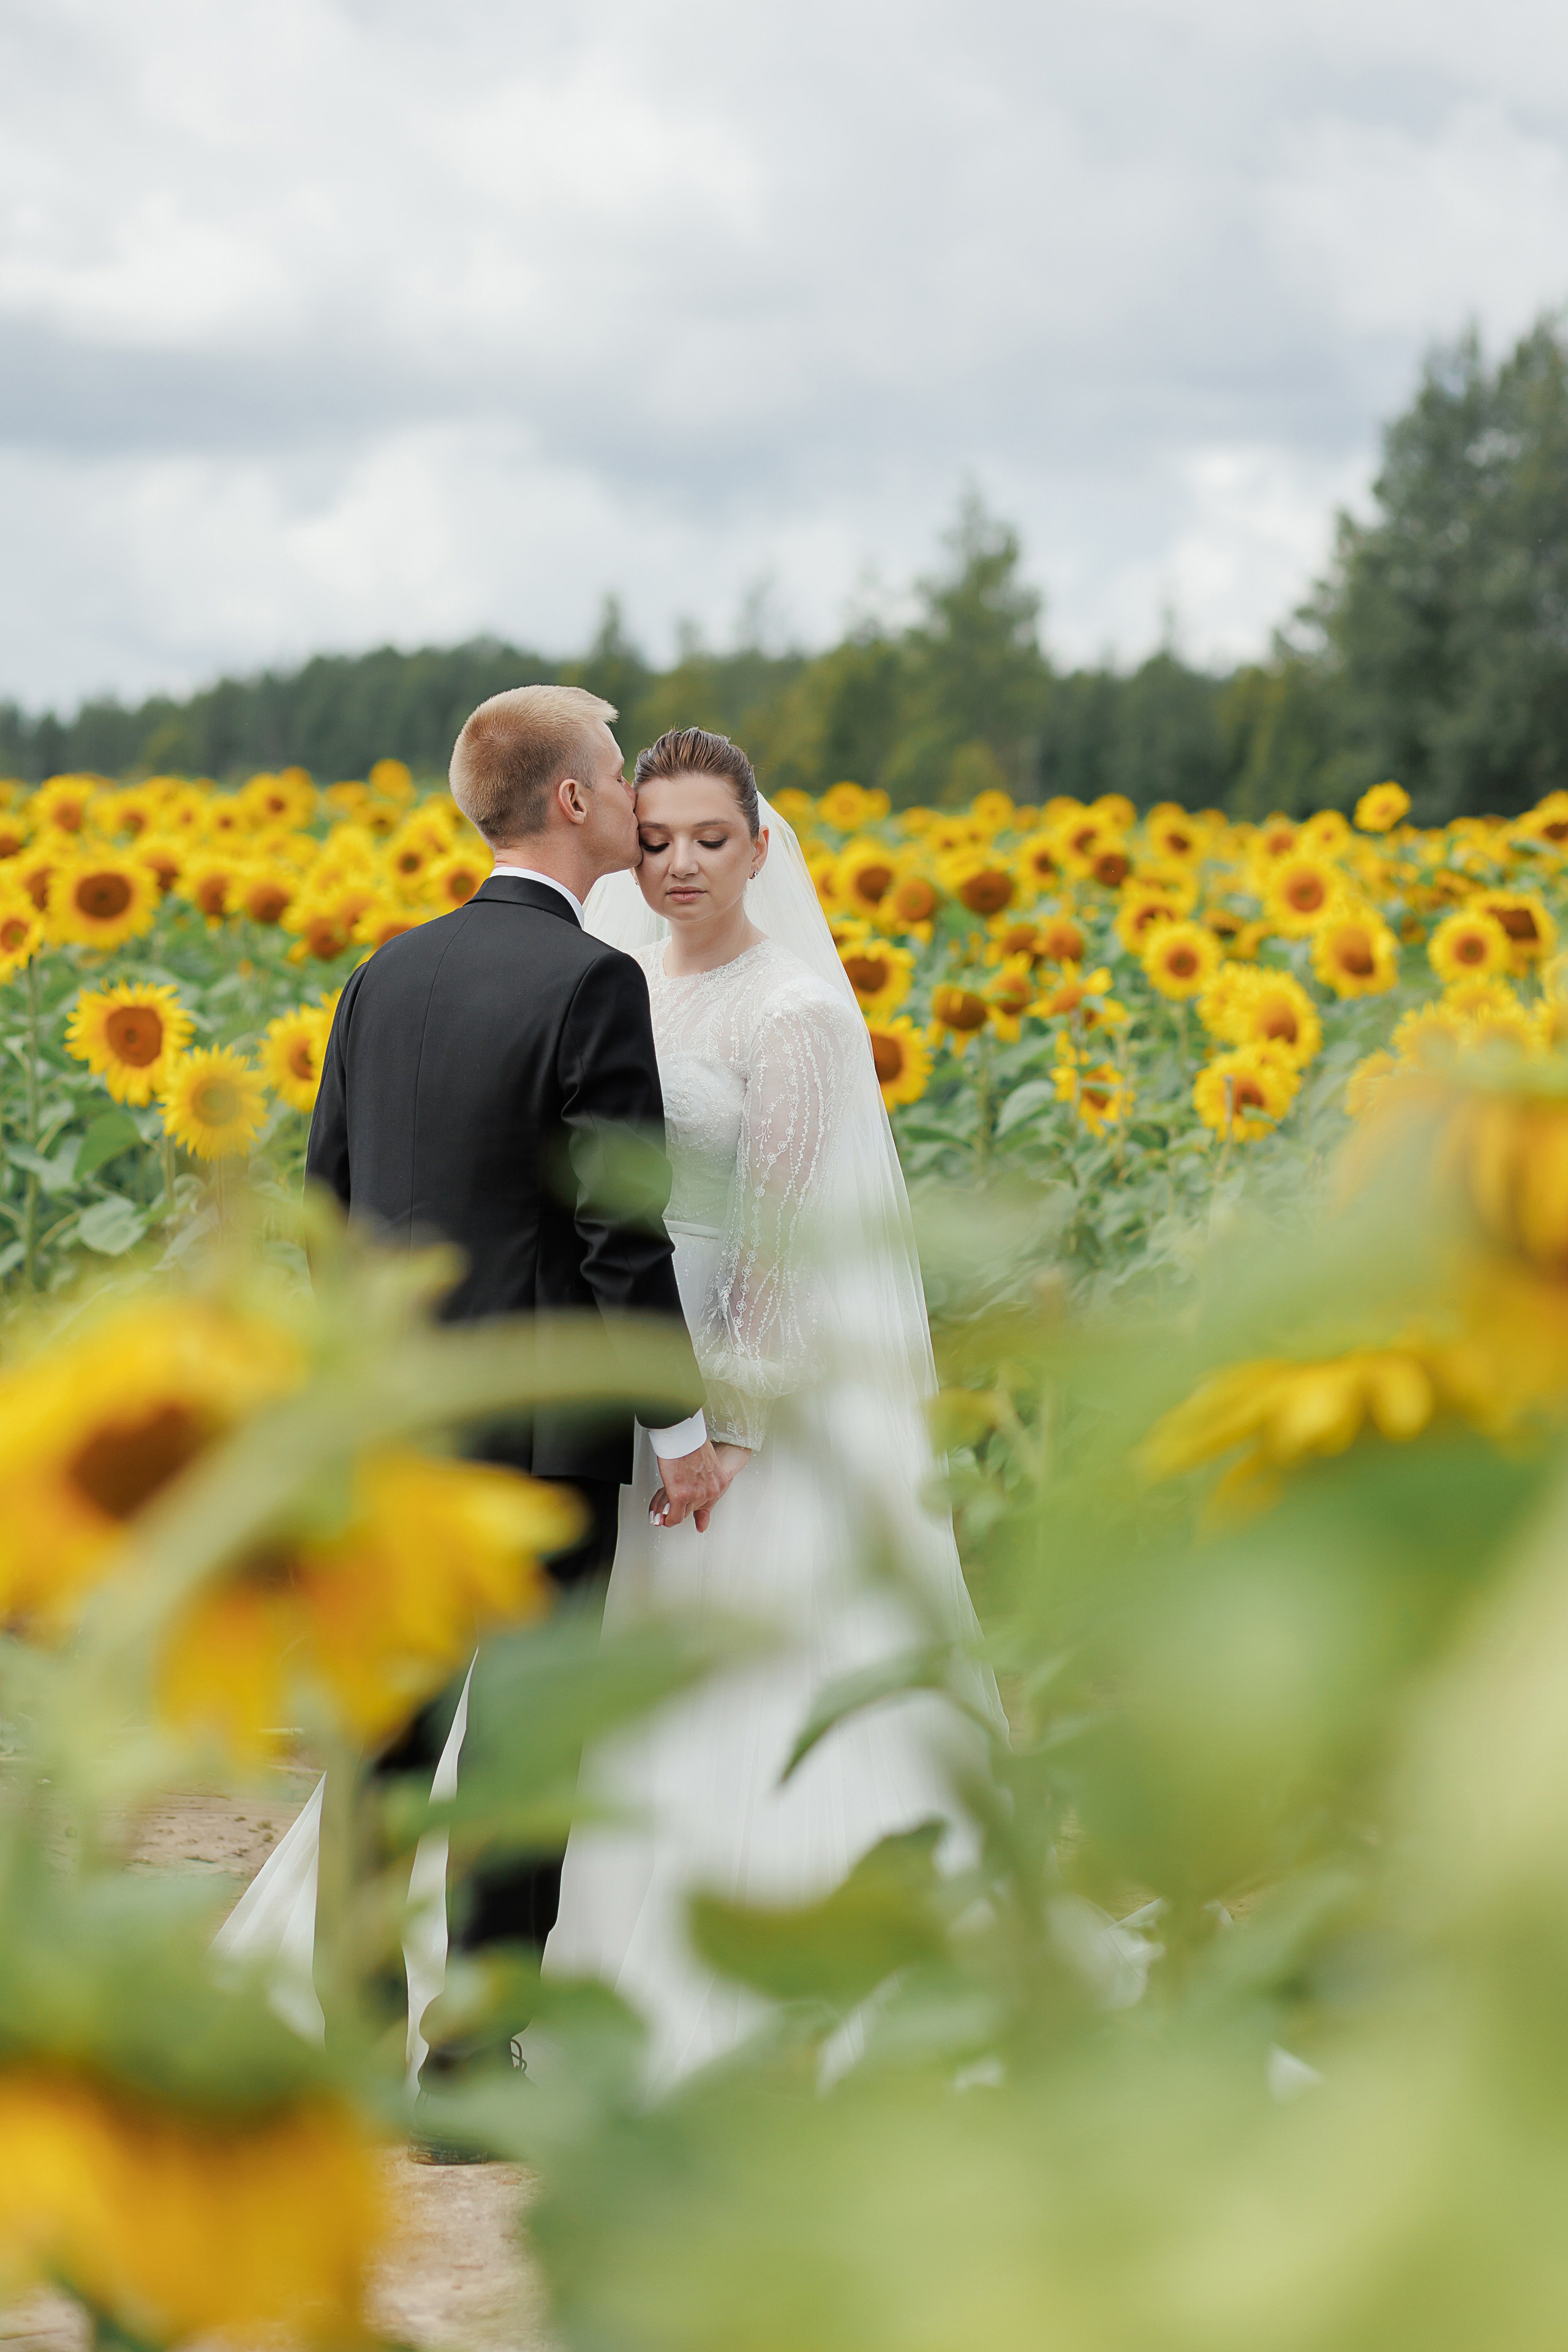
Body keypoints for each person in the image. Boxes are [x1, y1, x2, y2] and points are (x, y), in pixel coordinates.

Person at [216, 685, 725, 2087]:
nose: (630, 802)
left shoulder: (384, 975)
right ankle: (469, 2063)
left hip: (388, 1427)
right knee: (514, 1752)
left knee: (384, 1744)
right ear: (571, 802)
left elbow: (328, 1202)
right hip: (542, 1439)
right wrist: (678, 1430)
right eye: (618, 780)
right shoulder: (590, 985)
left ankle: (357, 2046)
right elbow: (620, 1230)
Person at [538, 727, 999, 2088]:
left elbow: (783, 1239)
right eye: (657, 837)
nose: (677, 864)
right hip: (620, 1365)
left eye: (709, 840)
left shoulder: (789, 1011)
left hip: (729, 1398)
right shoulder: (617, 980)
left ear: (758, 846)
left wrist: (725, 1426)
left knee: (729, 1670)